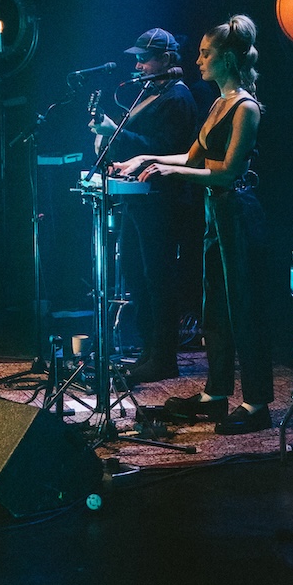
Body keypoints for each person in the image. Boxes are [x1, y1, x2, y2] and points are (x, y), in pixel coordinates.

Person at [112, 14, 273, 435]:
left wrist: (172, 173)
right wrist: (145, 160)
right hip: (215, 215)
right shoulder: (219, 103)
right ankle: (215, 394)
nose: (198, 60)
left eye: (206, 54)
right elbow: (191, 156)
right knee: (214, 309)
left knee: (244, 310)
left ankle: (257, 404)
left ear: (229, 59)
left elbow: (226, 172)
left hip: (238, 213)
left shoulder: (246, 108)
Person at [89, 28, 198, 384]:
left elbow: (166, 148)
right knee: (137, 275)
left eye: (144, 58)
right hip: (141, 201)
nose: (137, 64)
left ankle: (164, 357)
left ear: (166, 59)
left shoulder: (177, 97)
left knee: (158, 279)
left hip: (164, 203)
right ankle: (150, 352)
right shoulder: (150, 93)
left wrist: (115, 132)